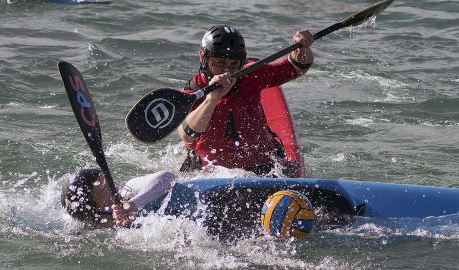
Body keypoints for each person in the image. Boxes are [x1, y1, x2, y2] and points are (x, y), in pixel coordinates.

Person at [177, 24, 314, 175]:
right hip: (214, 175)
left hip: (266, 169)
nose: (227, 71)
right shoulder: (193, 92)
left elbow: (297, 67)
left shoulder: (251, 74)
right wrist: (212, 99)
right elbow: (187, 135)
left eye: (234, 64)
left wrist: (302, 48)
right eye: (220, 63)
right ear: (203, 57)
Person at [62, 168, 175, 227]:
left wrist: (133, 204)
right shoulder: (103, 230)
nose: (115, 190)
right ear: (95, 210)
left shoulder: (129, 190)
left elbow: (168, 176)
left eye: (110, 183)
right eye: (106, 192)